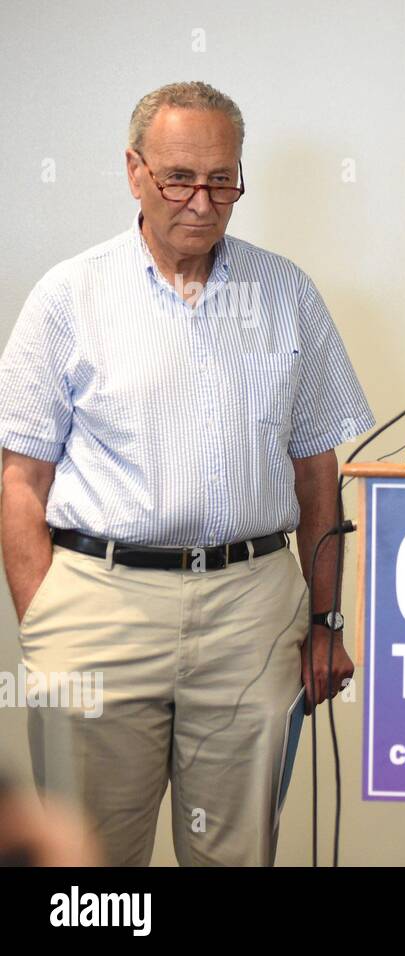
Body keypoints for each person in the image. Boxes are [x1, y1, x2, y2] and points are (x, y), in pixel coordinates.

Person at [0, 81, 375, 865]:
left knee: (236, 857)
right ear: (134, 171)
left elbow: (318, 477)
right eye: (178, 178)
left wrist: (325, 620)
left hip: (252, 609)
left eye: (222, 181)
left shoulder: (286, 295)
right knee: (90, 868)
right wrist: (48, 623)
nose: (201, 202)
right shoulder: (69, 297)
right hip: (99, 605)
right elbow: (19, 481)